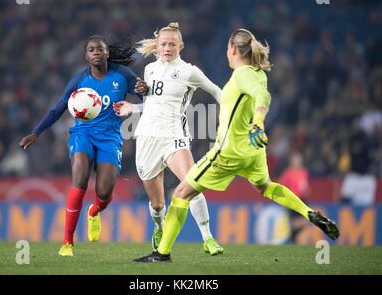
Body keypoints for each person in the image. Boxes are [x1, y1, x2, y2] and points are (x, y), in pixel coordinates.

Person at [134, 28, 340, 262]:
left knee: (181, 193)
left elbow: (262, 98)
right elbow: (261, 94)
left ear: (232, 49)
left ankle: (162, 253)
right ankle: (308, 212)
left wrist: (259, 121)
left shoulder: (241, 74)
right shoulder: (259, 73)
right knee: (267, 187)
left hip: (227, 151)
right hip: (253, 150)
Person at [19, 35, 146, 256]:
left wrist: (143, 89)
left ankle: (94, 211)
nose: (96, 52)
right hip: (82, 134)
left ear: (107, 53)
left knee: (104, 192)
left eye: (100, 49)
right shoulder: (79, 80)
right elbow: (59, 107)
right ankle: (67, 242)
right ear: (86, 56)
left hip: (110, 137)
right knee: (79, 180)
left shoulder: (123, 75)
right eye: (91, 50)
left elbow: (144, 95)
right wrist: (36, 132)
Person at [113, 23, 224, 255]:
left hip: (175, 136)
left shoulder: (189, 71)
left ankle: (208, 238)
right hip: (147, 137)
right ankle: (160, 227)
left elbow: (216, 91)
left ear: (180, 46)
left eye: (172, 44)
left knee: (192, 183)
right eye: (163, 44)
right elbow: (154, 104)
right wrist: (132, 108)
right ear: (158, 46)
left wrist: (231, 111)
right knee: (157, 204)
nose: (167, 48)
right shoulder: (150, 70)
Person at [278, 151, 310, 243]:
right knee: (297, 221)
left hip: (303, 200)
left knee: (305, 221)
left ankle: (291, 238)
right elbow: (281, 186)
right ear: (292, 161)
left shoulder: (304, 171)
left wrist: (307, 191)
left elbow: (305, 185)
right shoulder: (288, 173)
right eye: (295, 159)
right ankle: (290, 238)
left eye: (299, 159)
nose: (298, 161)